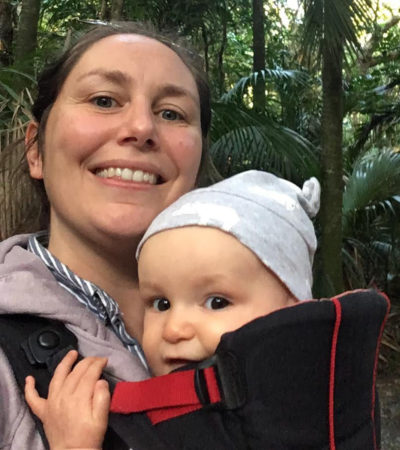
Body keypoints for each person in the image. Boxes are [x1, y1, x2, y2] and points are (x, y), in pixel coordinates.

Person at [0, 22, 212, 449]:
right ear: (36, 150)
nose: (141, 127)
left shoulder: (256, 317)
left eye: (171, 113)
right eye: (103, 100)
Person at [24, 169, 321, 449]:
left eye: (217, 303)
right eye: (161, 304)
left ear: (295, 312)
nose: (175, 328)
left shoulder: (297, 416)